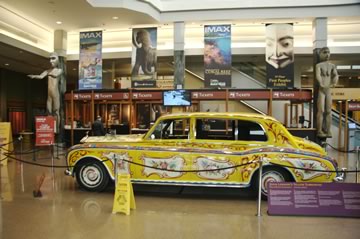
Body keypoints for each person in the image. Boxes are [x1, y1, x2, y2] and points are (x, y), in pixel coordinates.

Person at [28, 52, 65, 132]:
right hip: (49, 95)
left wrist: (48, 74)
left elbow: (55, 75)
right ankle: (50, 129)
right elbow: (41, 76)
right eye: (50, 59)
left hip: (55, 94)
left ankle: (57, 129)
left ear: (57, 60)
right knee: (48, 111)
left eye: (53, 58)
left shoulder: (59, 70)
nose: (51, 61)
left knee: (56, 111)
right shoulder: (47, 71)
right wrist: (34, 76)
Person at [316, 47, 338, 138]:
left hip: (328, 90)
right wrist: (321, 83)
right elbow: (318, 75)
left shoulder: (332, 66)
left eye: (328, 52)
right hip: (322, 90)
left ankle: (328, 130)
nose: (327, 54)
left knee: (329, 111)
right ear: (320, 54)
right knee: (321, 110)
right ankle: (320, 130)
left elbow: (336, 75)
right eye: (325, 52)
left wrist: (334, 82)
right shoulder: (319, 65)